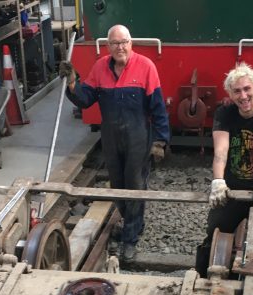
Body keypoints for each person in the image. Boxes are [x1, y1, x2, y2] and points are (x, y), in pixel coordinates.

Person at [59, 25, 170, 261]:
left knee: (135, 186)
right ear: (108, 46)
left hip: (138, 138)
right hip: (111, 137)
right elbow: (85, 98)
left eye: (124, 42)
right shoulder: (100, 67)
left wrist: (160, 140)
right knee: (118, 185)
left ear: (131, 43)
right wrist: (71, 82)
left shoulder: (146, 66)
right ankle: (132, 223)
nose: (120, 47)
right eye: (115, 43)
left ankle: (130, 238)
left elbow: (158, 107)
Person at [197, 62, 253, 275]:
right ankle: (201, 277)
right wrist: (218, 182)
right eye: (237, 91)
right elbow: (221, 151)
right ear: (230, 94)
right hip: (233, 189)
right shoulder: (225, 114)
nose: (243, 95)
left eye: (247, 89)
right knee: (214, 232)